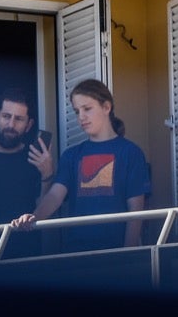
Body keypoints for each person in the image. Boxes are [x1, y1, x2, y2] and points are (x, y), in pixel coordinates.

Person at [9, 79, 150, 252]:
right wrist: (34, 216)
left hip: (116, 251)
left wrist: (128, 252)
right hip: (77, 251)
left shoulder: (131, 152)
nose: (81, 116)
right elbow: (55, 195)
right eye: (77, 111)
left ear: (107, 107)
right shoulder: (71, 155)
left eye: (87, 109)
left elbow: (136, 210)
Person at [0, 87, 54, 259]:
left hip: (27, 255)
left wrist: (47, 174)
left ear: (28, 125)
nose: (11, 125)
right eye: (6, 116)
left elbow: (43, 211)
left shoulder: (36, 159)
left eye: (19, 119)